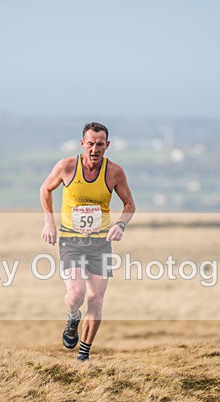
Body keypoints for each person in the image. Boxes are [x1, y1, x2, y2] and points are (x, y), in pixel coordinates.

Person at [40, 122, 136, 361]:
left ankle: (84, 354)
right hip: (71, 240)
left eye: (100, 144)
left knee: (95, 299)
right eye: (90, 144)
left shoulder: (114, 172)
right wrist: (49, 222)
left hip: (100, 243)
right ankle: (72, 318)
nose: (95, 149)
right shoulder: (67, 167)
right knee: (76, 293)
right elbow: (45, 189)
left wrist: (120, 224)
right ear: (82, 143)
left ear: (107, 146)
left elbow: (130, 204)